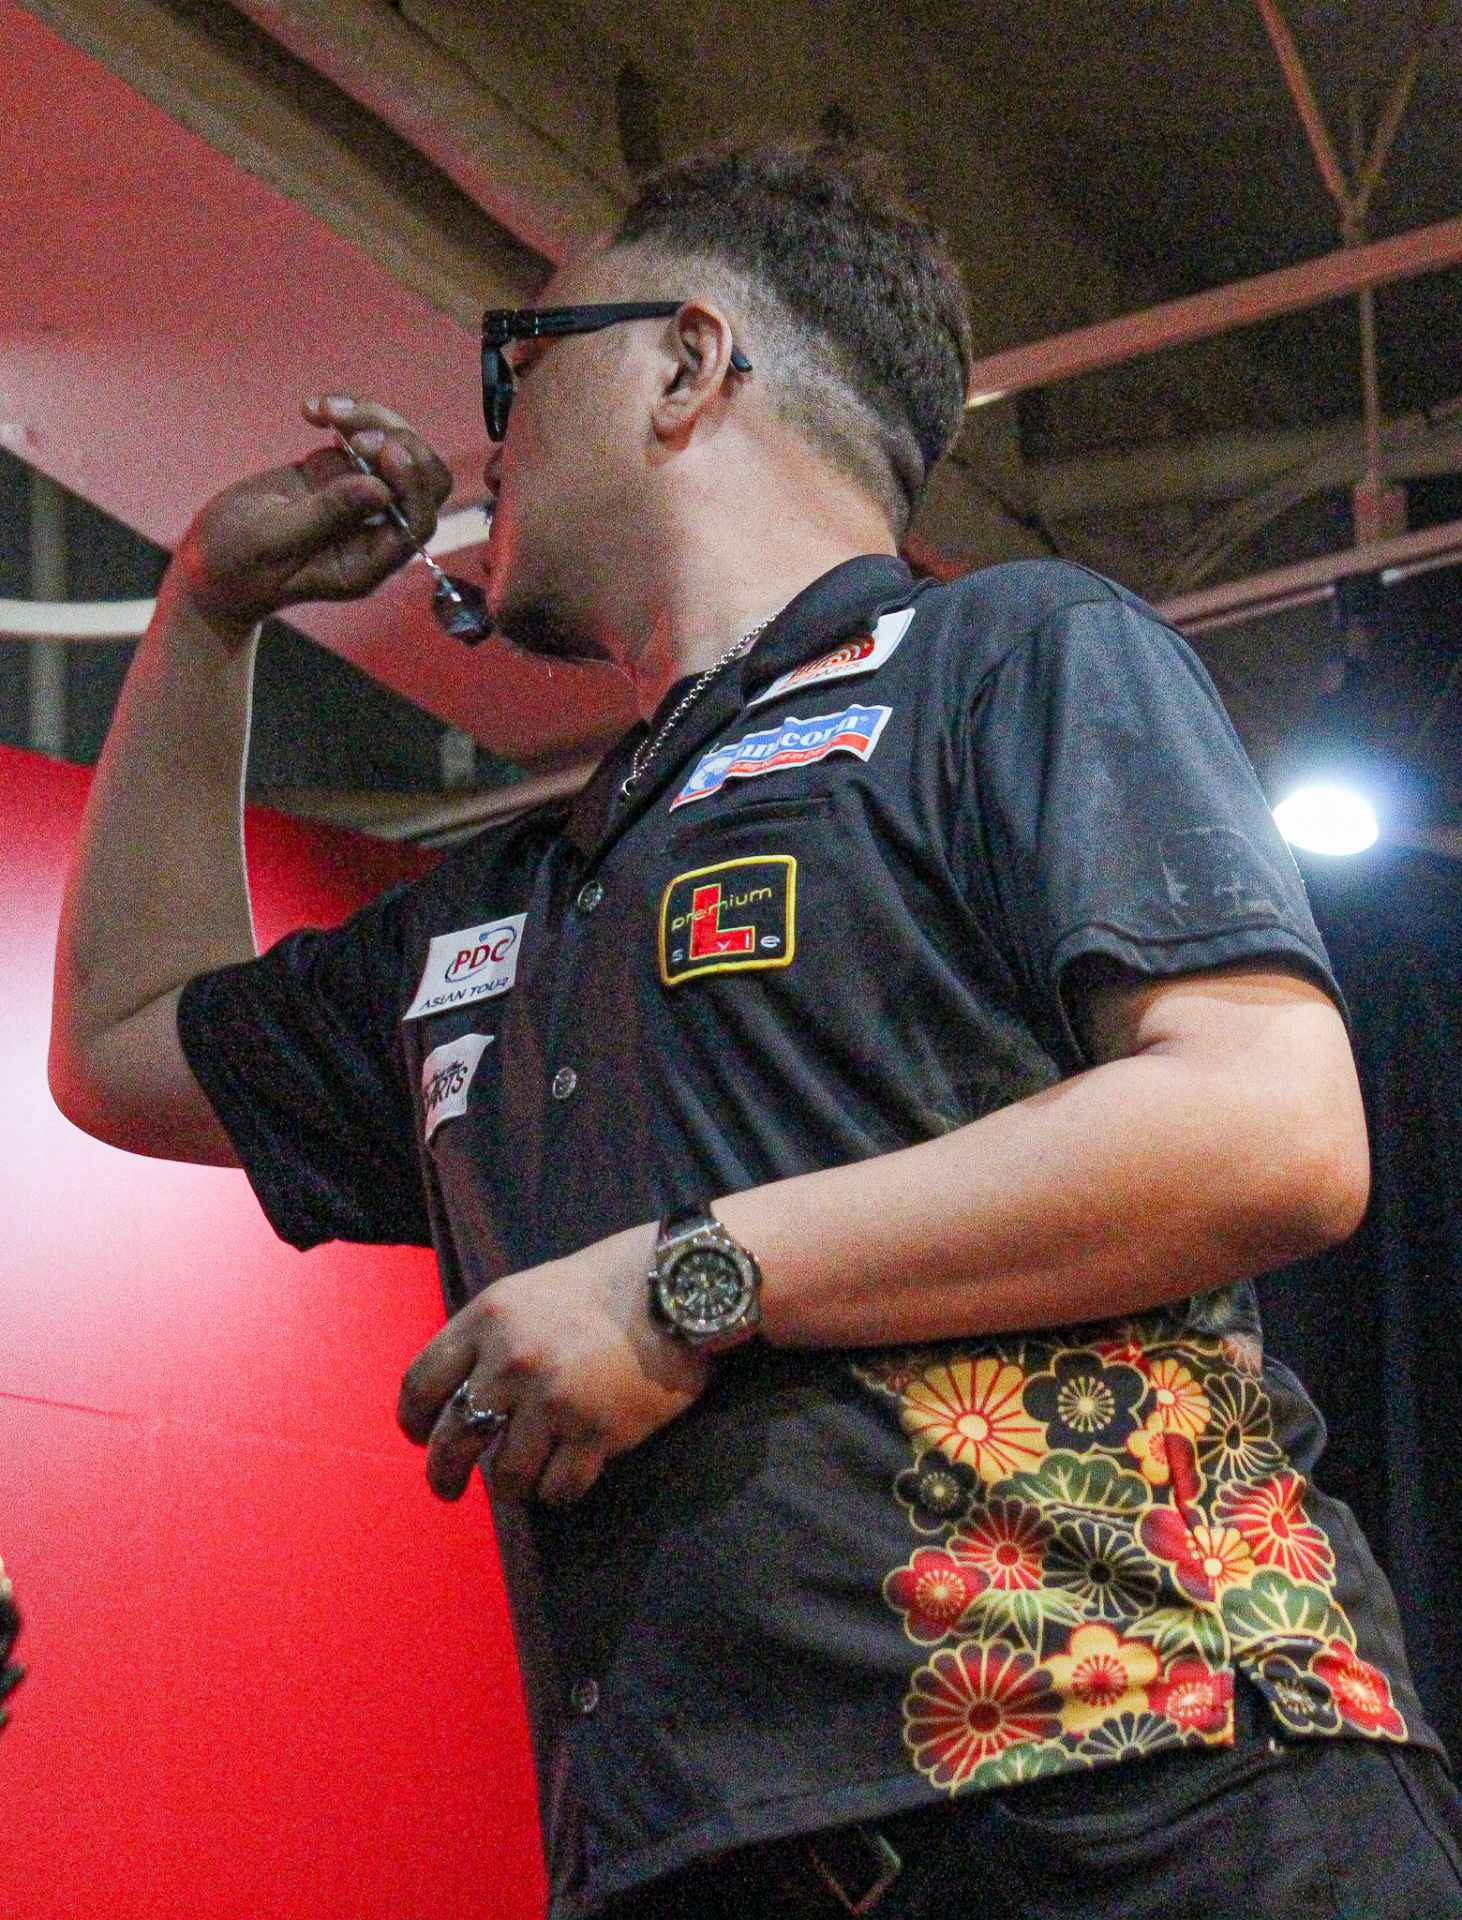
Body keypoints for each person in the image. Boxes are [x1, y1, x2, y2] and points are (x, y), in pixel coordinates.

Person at [50, 142, 1462, 1918]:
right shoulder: (511, 904)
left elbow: (1270, 1127)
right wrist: (207, 610)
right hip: (704, 1862)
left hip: (1147, 1807)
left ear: (684, 361)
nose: (489, 433)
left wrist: (682, 1283)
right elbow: (124, 1041)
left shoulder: (1003, 654)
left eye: (520, 360)